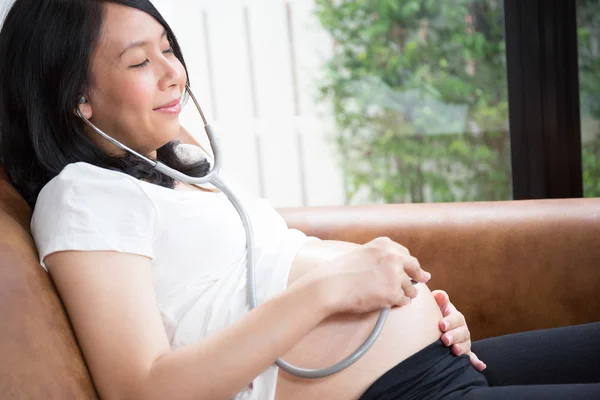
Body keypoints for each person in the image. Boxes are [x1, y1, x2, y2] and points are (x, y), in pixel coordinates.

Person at [0, 1, 597, 399]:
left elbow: (263, 269)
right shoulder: (82, 195)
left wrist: (421, 308)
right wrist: (334, 290)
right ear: (76, 96)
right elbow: (143, 388)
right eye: (139, 60)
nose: (173, 72)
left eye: (168, 48)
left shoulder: (167, 171)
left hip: (437, 365)